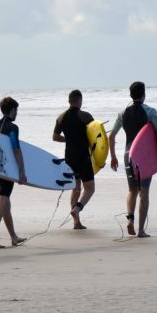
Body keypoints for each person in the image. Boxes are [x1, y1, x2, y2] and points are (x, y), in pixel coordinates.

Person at [109, 81, 157, 237]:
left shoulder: (122, 113)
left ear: (130, 95)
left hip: (128, 155)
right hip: (144, 156)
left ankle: (130, 220)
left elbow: (112, 135)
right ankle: (140, 230)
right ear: (144, 94)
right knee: (144, 192)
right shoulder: (151, 112)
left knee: (132, 190)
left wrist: (113, 156)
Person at [0, 97, 28, 248]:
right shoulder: (12, 127)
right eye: (16, 110)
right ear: (12, 110)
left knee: (5, 204)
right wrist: (21, 170)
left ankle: (13, 237)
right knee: (2, 200)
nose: (17, 113)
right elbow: (15, 148)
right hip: (6, 171)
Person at [52, 89, 96, 229]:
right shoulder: (85, 116)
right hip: (83, 156)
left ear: (69, 101)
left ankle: (76, 222)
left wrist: (69, 140)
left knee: (75, 188)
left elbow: (55, 137)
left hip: (69, 156)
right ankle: (77, 209)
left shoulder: (61, 117)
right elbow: (96, 136)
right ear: (80, 101)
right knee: (89, 188)